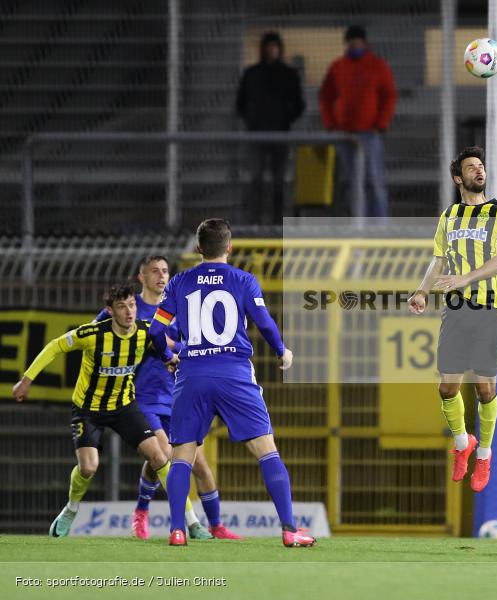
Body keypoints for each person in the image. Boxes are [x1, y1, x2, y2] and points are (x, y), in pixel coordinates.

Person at [149, 218, 313, 547]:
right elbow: (264, 323)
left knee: (182, 456)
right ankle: (289, 529)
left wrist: (168, 358)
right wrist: (282, 351)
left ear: (198, 249)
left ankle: (178, 531)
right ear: (230, 247)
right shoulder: (243, 280)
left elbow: (155, 331)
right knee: (267, 452)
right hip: (233, 373)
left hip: (192, 375)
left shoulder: (180, 281)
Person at [12, 284, 177, 538]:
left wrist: (173, 358)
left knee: (159, 455)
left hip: (123, 406)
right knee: (89, 467)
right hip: (89, 409)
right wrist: (27, 379)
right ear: (110, 310)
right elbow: (56, 346)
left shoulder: (145, 331)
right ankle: (71, 509)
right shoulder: (92, 334)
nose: (129, 311)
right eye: (121, 306)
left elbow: (168, 347)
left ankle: (189, 521)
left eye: (132, 304)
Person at [94, 255, 240, 541]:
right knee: (167, 455)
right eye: (154, 271)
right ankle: (173, 521)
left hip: (177, 396)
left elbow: (195, 343)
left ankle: (217, 526)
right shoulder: (130, 306)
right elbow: (95, 330)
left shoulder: (178, 305)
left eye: (164, 271)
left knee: (198, 466)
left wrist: (174, 345)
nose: (161, 276)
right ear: (141, 277)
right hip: (142, 398)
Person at [408, 147, 497, 492]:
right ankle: (462, 444)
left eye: (482, 166)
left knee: (485, 388)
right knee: (447, 387)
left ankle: (483, 453)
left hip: (490, 308)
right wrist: (422, 291)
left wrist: (465, 279)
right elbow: (438, 260)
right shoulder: (450, 215)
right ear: (459, 178)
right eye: (472, 168)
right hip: (455, 309)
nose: (479, 171)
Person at [319, 25, 397, 218]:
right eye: (351, 41)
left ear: (364, 42)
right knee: (353, 182)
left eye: (357, 41)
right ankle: (358, 224)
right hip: (345, 134)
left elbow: (389, 96)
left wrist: (381, 124)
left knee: (373, 180)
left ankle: (378, 227)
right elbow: (326, 97)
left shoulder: (377, 66)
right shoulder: (338, 67)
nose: (354, 44)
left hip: (369, 133)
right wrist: (331, 124)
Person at [236, 31, 305, 224]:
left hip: (280, 135)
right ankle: (254, 222)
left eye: (274, 47)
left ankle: (277, 223)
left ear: (279, 49)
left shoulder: (288, 75)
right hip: (256, 135)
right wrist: (252, 120)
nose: (271, 51)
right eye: (268, 47)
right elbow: (240, 103)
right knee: (256, 180)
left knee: (278, 183)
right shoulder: (252, 74)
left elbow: (298, 104)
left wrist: (285, 120)